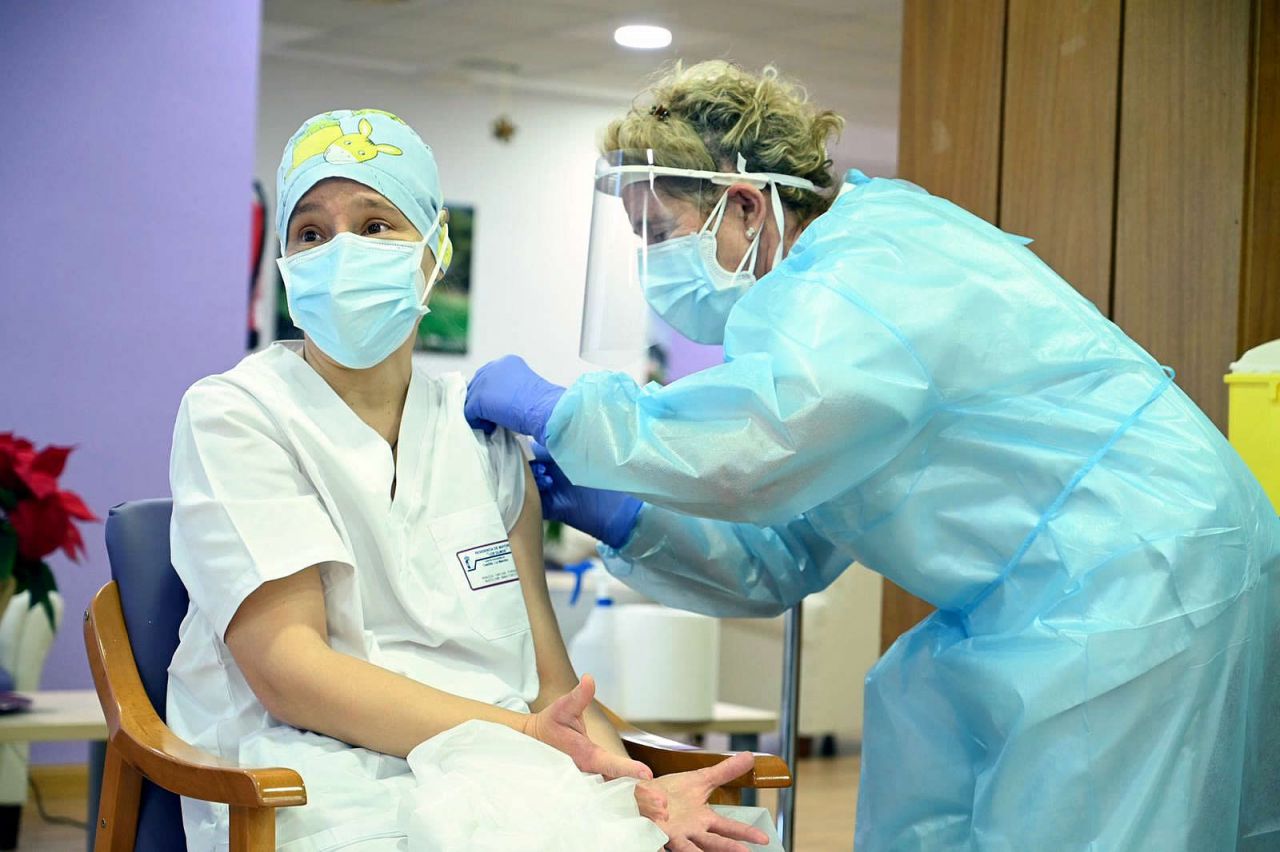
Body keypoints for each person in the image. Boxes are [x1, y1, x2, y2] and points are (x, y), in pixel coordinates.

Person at [464, 62, 1280, 849]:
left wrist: (565, 413)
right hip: (1049, 589)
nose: (652, 266)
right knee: (920, 723)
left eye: (659, 232)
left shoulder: (868, 273)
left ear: (744, 205)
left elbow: (762, 445)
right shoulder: (816, 310)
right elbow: (785, 553)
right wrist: (628, 516)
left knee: (1089, 820)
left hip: (1141, 570)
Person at [166, 108, 770, 852]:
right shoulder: (237, 414)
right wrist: (522, 736)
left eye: (377, 224)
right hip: (313, 777)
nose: (341, 252)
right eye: (311, 233)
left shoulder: (479, 430)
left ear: (434, 250)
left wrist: (633, 787)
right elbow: (292, 673)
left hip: (505, 772)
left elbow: (553, 685)